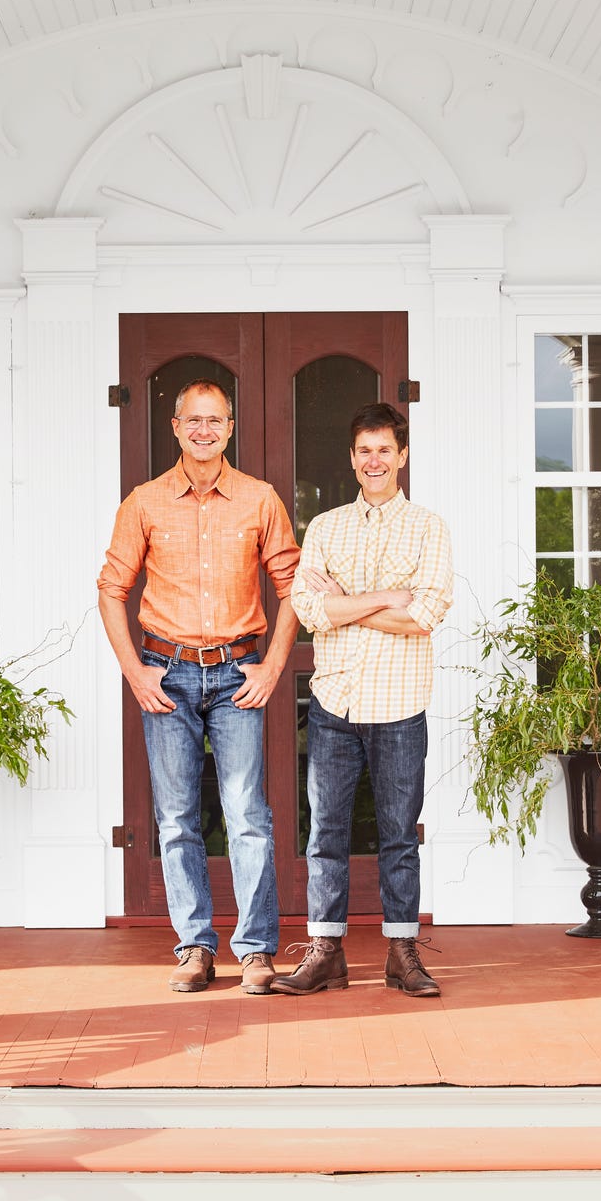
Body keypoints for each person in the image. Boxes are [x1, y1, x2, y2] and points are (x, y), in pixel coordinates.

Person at [97, 379, 300, 995]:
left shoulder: (260, 500)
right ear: (176, 427)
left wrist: (272, 667)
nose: (204, 430)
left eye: (216, 420)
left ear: (230, 428)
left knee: (247, 816)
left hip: (239, 673)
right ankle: (194, 948)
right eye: (194, 420)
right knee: (178, 817)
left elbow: (294, 589)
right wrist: (136, 671)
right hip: (169, 672)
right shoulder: (144, 502)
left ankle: (258, 950)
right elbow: (111, 589)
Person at [271, 402, 453, 998]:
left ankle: (402, 953)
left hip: (399, 707)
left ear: (402, 456)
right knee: (325, 833)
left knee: (399, 835)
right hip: (334, 706)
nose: (374, 461)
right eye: (364, 451)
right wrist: (387, 598)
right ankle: (326, 954)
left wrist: (350, 602)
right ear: (352, 459)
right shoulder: (323, 528)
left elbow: (425, 615)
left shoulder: (429, 527)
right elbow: (308, 610)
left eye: (385, 450)